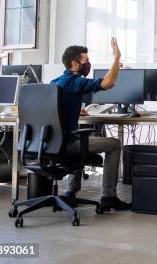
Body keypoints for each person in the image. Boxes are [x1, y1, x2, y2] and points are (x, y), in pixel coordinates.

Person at [50, 37, 130, 211]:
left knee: (78, 134)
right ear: (74, 63)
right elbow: (108, 83)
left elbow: (53, 110)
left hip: (49, 144)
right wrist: (116, 58)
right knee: (114, 144)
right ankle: (108, 196)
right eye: (85, 60)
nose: (88, 64)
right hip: (67, 144)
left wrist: (73, 110)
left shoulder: (55, 82)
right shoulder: (75, 81)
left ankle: (71, 193)